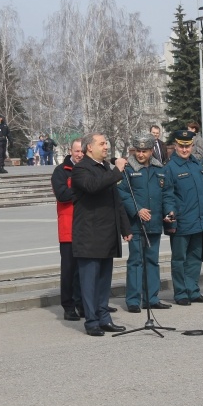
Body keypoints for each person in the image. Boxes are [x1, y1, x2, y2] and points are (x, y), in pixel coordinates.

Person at [71, 133, 131, 336]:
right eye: (102, 144)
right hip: (89, 236)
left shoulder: (105, 167)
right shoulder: (81, 169)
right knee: (89, 282)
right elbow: (93, 187)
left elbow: (116, 200)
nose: (106, 147)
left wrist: (125, 227)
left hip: (107, 234)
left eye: (106, 144)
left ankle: (104, 318)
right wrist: (117, 171)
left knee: (104, 281)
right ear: (89, 148)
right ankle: (92, 322)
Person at [118, 135, 175, 313]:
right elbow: (122, 193)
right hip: (136, 223)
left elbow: (167, 193)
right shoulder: (127, 169)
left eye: (145, 151)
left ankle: (151, 298)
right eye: (138, 151)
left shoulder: (161, 169)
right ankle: (134, 300)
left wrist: (170, 211)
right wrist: (137, 209)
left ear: (151, 151)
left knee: (152, 261)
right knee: (136, 261)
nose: (141, 154)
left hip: (155, 222)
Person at [164, 130, 203, 305]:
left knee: (194, 259)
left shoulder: (196, 164)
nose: (185, 149)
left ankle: (193, 290)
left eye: (188, 146)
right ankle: (181, 293)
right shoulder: (170, 168)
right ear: (175, 146)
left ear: (192, 146)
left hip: (198, 220)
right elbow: (168, 195)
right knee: (179, 260)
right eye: (181, 146)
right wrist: (171, 214)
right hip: (182, 221)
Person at [51, 138, 85, 321]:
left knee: (85, 270)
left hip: (86, 228)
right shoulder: (61, 171)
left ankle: (84, 304)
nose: (79, 155)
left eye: (82, 151)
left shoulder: (89, 168)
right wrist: (83, 189)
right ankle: (69, 306)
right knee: (69, 270)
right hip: (68, 228)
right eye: (76, 151)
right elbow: (62, 194)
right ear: (70, 151)